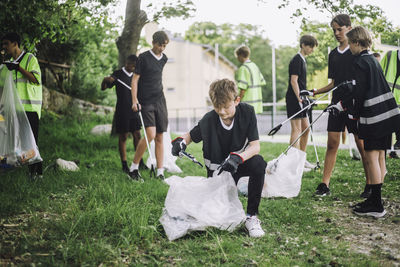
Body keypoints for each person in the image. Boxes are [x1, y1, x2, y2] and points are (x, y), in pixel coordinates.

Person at [171, 78, 267, 238]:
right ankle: (225, 196)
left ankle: (251, 217)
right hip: (218, 175)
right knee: (215, 217)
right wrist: (181, 142)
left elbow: (255, 146)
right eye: (217, 107)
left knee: (259, 163)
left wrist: (238, 158)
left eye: (226, 106)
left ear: (237, 100)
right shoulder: (209, 119)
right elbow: (189, 136)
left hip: (237, 164)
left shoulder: (248, 113)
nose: (221, 111)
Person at [302, 14, 369, 197]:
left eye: (340, 29)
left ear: (349, 28)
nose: (336, 33)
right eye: (334, 30)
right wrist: (314, 92)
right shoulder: (332, 54)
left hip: (354, 104)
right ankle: (325, 184)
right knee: (332, 144)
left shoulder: (357, 52)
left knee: (361, 144)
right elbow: (333, 83)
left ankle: (371, 183)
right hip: (335, 104)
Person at [342, 26, 400, 217]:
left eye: (350, 43)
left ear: (357, 43)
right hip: (389, 115)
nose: (349, 46)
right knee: (380, 156)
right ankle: (375, 198)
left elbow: (359, 92)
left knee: (371, 157)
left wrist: (353, 114)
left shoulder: (359, 62)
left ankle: (376, 205)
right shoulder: (373, 60)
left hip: (374, 116)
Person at [1, 32, 43, 180]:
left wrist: (18, 68)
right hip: (14, 110)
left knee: (31, 141)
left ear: (15, 44)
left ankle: (36, 174)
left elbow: (36, 79)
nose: (4, 47)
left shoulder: (30, 59)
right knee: (16, 141)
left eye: (6, 43)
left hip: (30, 108)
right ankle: (15, 168)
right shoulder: (7, 64)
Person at [130, 31, 169, 180]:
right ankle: (134, 168)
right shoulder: (143, 58)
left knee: (160, 136)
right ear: (154, 42)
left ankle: (160, 172)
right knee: (150, 134)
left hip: (160, 100)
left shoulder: (164, 59)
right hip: (145, 101)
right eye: (160, 45)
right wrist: (135, 100)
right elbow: (135, 80)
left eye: (164, 45)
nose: (162, 48)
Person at [101, 55, 145, 174]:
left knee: (137, 135)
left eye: (136, 66)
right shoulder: (118, 74)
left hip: (135, 109)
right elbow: (104, 88)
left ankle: (139, 162)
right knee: (123, 136)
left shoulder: (136, 75)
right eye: (133, 66)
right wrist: (105, 80)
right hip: (122, 110)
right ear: (127, 63)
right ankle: (124, 164)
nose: (134, 68)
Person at [286, 35, 318, 171]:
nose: (312, 50)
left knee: (306, 129)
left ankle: (301, 160)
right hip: (294, 99)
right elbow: (294, 80)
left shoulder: (303, 60)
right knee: (297, 130)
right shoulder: (296, 60)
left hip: (301, 99)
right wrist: (299, 97)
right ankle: (293, 164)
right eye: (310, 46)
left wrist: (305, 95)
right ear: (303, 45)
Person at [380, 49, 400, 159]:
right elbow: (378, 74)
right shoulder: (389, 56)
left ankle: (394, 151)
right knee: (384, 137)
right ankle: (386, 154)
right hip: (385, 104)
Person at [235, 45, 266, 114]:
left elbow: (243, 88)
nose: (237, 58)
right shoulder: (255, 66)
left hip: (247, 104)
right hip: (257, 104)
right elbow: (262, 82)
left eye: (237, 56)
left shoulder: (243, 68)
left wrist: (237, 101)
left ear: (241, 55)